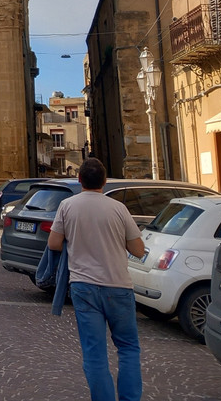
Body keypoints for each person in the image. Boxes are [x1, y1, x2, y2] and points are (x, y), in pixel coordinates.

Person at [48, 157, 145, 401]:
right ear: (104, 181)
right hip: (118, 285)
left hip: (84, 286)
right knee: (128, 348)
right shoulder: (118, 208)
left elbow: (54, 243)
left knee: (94, 353)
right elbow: (138, 250)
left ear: (79, 179)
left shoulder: (67, 206)